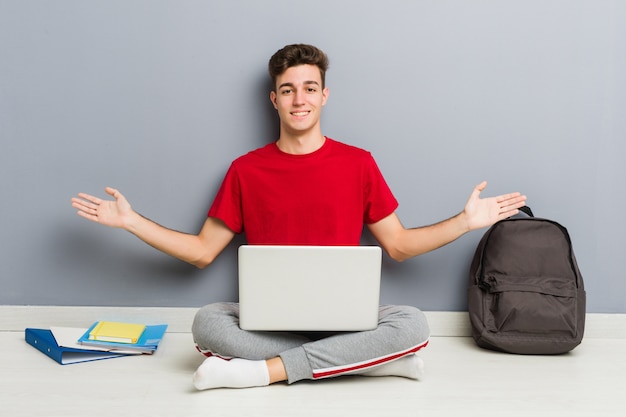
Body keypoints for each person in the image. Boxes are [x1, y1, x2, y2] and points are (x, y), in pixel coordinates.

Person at [71, 44, 527, 390]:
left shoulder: (359, 163)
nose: (299, 99)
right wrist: (132, 221)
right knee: (207, 322)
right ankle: (373, 362)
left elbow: (399, 245)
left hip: (345, 318)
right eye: (288, 90)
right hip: (268, 320)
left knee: (413, 323)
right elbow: (201, 252)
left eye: (309, 88)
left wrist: (465, 221)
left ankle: (261, 374)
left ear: (324, 95)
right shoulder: (245, 170)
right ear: (274, 99)